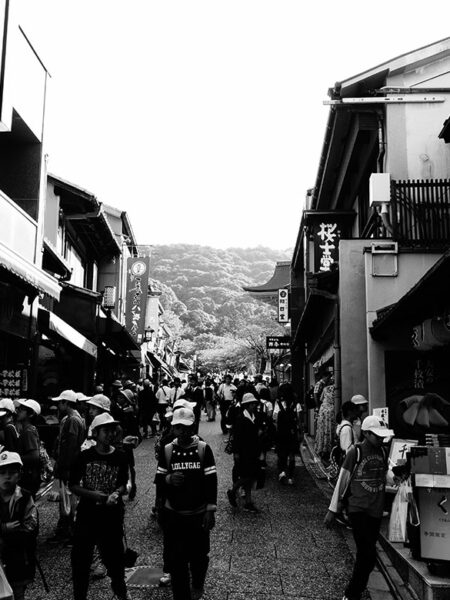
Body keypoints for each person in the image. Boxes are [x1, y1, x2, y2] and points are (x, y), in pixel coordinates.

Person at [324, 415, 394, 600]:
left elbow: (385, 474)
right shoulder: (355, 452)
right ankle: (352, 593)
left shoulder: (383, 452)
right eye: (376, 436)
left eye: (382, 436)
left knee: (368, 555)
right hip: (358, 509)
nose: (380, 439)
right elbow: (342, 481)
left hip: (376, 509)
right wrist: (333, 510)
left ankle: (354, 591)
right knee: (367, 553)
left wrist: (399, 476)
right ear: (365, 433)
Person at [155, 407, 217, 600]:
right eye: (177, 427)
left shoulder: (203, 449)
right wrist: (168, 479)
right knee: (177, 559)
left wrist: (210, 510)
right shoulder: (168, 450)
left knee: (199, 556)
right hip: (174, 515)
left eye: (185, 428)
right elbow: (158, 478)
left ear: (192, 428)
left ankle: (197, 584)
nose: (181, 432)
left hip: (198, 514)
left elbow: (211, 481)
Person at [70, 413, 130, 600]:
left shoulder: (120, 456)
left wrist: (116, 493)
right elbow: (73, 485)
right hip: (87, 516)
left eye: (113, 430)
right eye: (106, 430)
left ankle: (121, 593)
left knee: (115, 562)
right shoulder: (84, 456)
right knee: (80, 562)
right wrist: (94, 495)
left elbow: (124, 483)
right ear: (95, 433)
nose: (110, 434)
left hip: (111, 517)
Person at [0, 451, 38, 600]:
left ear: (19, 475)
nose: (7, 476)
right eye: (2, 472)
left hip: (18, 556)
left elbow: (31, 526)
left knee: (17, 591)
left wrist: (10, 537)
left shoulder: (25, 497)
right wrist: (4, 528)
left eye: (12, 472)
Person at [50, 389, 86, 544]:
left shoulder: (71, 420)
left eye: (60, 402)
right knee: (70, 498)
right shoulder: (78, 418)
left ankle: (68, 532)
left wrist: (62, 466)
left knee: (67, 500)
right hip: (73, 465)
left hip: (69, 466)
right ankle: (69, 530)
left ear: (66, 403)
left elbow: (69, 446)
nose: (58, 405)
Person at [227, 392, 261, 513]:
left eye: (255, 403)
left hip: (253, 451)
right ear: (246, 405)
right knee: (247, 476)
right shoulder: (241, 418)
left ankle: (248, 501)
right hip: (243, 452)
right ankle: (233, 492)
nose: (254, 406)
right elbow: (237, 437)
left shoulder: (255, 416)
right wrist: (236, 453)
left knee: (250, 477)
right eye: (252, 404)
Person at [273, 383, 299, 485]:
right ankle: (291, 477)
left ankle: (282, 472)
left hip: (281, 432)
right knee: (292, 455)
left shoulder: (278, 403)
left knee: (281, 454)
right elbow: (299, 419)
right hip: (292, 432)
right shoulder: (296, 403)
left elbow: (275, 419)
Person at [16, 399, 42, 498]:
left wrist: (15, 457)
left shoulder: (28, 431)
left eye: (22, 409)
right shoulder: (29, 429)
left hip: (29, 477)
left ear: (30, 414)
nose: (18, 411)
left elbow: (34, 457)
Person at [314, 375, 336, 459]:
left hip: (323, 410)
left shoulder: (325, 388)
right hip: (331, 410)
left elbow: (320, 399)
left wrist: (318, 407)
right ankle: (330, 449)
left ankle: (322, 449)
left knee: (322, 429)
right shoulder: (336, 389)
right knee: (330, 429)